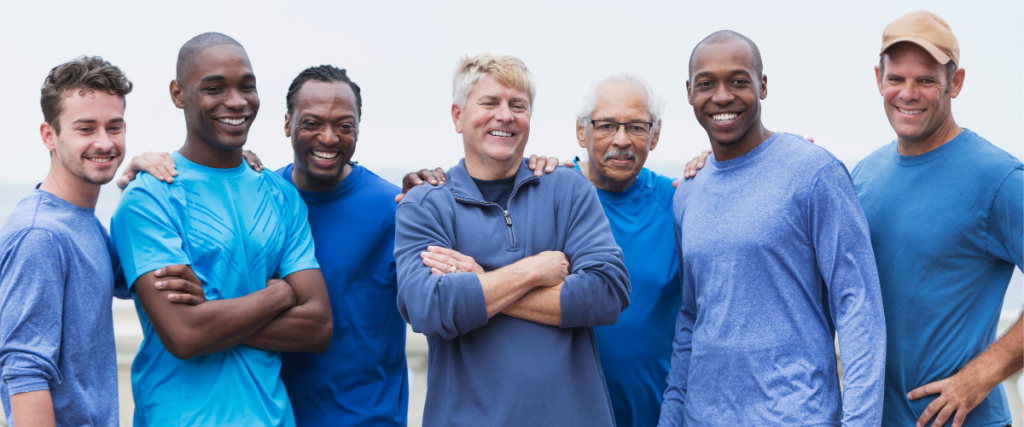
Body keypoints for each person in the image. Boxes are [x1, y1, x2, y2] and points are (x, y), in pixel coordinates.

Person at [660, 31, 886, 426]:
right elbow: (692, 319)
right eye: (707, 84)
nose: (722, 96)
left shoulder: (814, 172)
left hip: (797, 415)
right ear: (690, 92)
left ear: (762, 86)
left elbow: (858, 306)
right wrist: (671, 417)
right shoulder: (688, 194)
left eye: (739, 81)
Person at [394, 52, 630, 427]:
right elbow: (428, 307)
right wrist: (534, 270)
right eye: (489, 103)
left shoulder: (568, 189)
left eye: (517, 105)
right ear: (458, 116)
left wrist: (477, 278)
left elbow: (607, 294)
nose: (505, 115)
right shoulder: (424, 204)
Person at [110, 33, 331, 426]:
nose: (236, 101)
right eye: (214, 88)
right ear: (179, 94)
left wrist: (211, 317)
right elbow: (184, 336)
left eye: (247, 86)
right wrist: (278, 294)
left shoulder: (281, 196)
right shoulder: (149, 199)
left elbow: (317, 326)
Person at [0, 56, 205, 427]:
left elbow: (139, 278)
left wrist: (144, 186)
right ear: (49, 135)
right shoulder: (41, 235)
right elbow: (24, 371)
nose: (104, 142)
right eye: (85, 129)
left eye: (114, 127)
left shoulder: (82, 223)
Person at [856, 11, 1023, 427]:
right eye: (896, 79)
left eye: (926, 80)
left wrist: (979, 376)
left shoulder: (999, 179)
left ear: (956, 82)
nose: (908, 93)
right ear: (879, 79)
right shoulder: (863, 176)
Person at [272, 65, 408, 426]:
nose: (329, 137)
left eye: (344, 126)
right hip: (275, 415)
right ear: (288, 124)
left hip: (369, 417)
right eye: (312, 123)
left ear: (358, 130)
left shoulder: (392, 208)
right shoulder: (261, 198)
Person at [566, 74, 679, 427]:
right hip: (563, 414)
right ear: (581, 131)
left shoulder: (678, 203)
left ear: (655, 135)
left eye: (636, 127)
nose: (621, 140)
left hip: (653, 416)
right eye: (607, 125)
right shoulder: (548, 194)